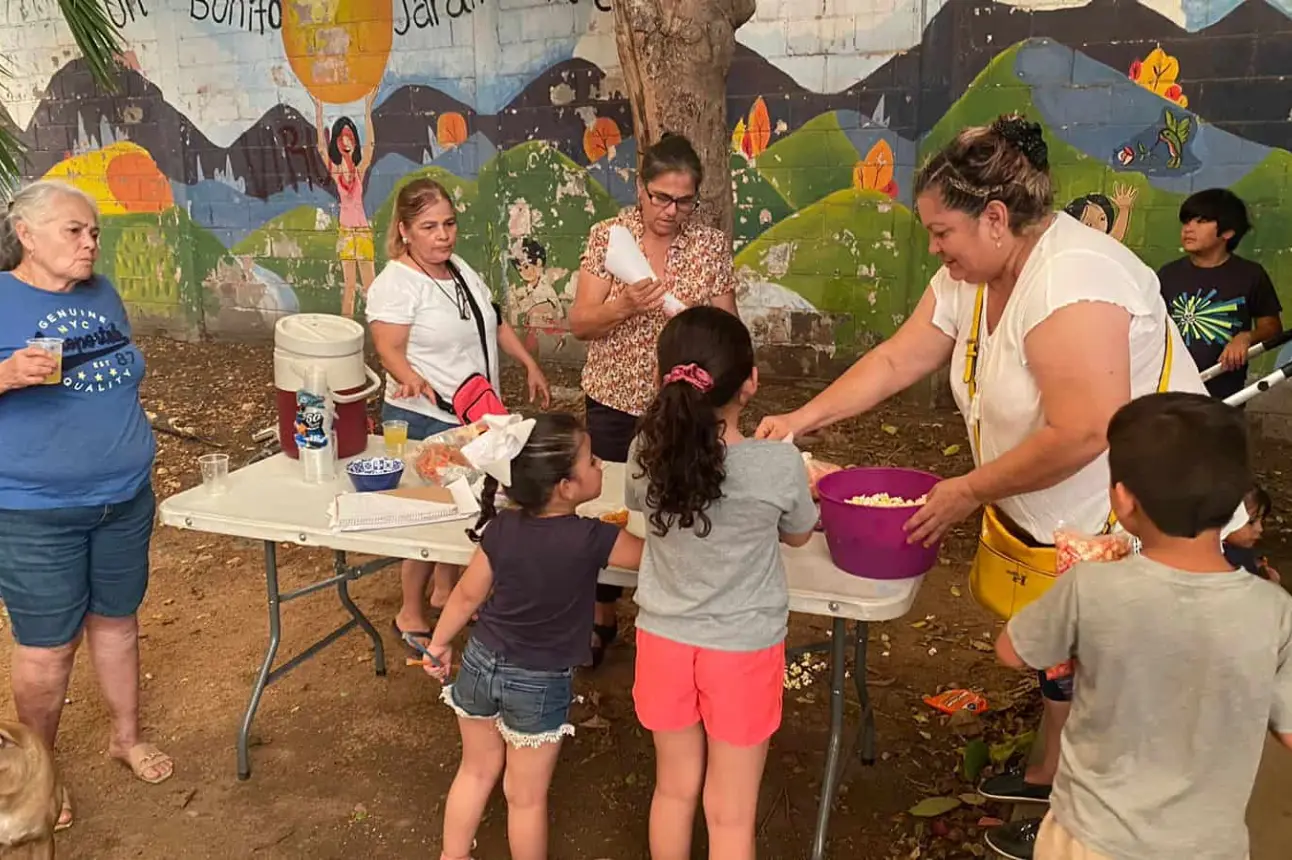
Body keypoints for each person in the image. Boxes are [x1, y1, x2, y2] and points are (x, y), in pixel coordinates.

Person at [755, 114, 1237, 858]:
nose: (935, 250)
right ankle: (1048, 771)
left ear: (996, 217)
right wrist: (800, 419)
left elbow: (1083, 430)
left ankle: (1079, 827)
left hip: (1145, 516)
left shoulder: (1075, 281)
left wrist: (968, 489)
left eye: (942, 232)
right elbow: (893, 360)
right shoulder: (974, 276)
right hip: (1067, 521)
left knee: (1118, 686)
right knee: (1069, 654)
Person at [991, 392, 1292, 860]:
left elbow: (1012, 650)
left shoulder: (1091, 588)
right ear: (1236, 503)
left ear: (1122, 500)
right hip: (1210, 847)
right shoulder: (1274, 610)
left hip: (1090, 838)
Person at [0, 180, 174, 831]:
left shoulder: (101, 293)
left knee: (118, 622)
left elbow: (118, 366)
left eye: (94, 231)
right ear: (28, 234)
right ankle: (41, 771)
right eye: (74, 230)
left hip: (123, 496)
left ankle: (125, 737)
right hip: (34, 509)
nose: (90, 241)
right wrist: (6, 374)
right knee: (47, 649)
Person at [627, 307, 817, 860]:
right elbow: (801, 535)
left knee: (673, 789)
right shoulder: (777, 465)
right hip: (742, 649)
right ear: (750, 382)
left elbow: (640, 504)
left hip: (662, 642)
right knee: (731, 815)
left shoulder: (646, 452)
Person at [422, 413, 643, 860]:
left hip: (481, 662)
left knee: (476, 770)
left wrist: (438, 644)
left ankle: (452, 856)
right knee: (525, 796)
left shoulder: (501, 527)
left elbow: (465, 596)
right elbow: (649, 556)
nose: (601, 464)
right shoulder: (593, 537)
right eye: (592, 460)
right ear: (565, 485)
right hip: (539, 681)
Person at [569, 133, 739, 667]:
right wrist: (622, 305)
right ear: (640, 190)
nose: (672, 211)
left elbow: (727, 329)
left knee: (679, 502)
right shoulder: (607, 237)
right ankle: (601, 612)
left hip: (684, 406)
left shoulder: (709, 245)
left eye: (684, 200)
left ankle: (669, 614)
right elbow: (579, 322)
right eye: (661, 197)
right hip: (615, 399)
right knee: (609, 507)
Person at [366, 177, 551, 653]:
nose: (443, 235)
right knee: (426, 520)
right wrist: (408, 376)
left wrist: (528, 363)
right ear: (405, 230)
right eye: (429, 226)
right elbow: (387, 346)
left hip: (474, 416)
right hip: (423, 417)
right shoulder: (395, 283)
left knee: (464, 512)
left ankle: (445, 592)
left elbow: (495, 321)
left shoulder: (460, 269)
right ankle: (410, 609)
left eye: (448, 223)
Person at [1158, 188, 1283, 401]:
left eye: (1201, 221)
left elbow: (1272, 328)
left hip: (1225, 396)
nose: (1189, 229)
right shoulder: (1167, 275)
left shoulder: (1251, 275)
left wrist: (1246, 337)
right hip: (1170, 391)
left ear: (1227, 232)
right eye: (1187, 221)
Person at [313, 92, 378, 318]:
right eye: (342, 138)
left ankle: (380, 334)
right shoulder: (336, 170)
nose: (346, 142)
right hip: (345, 232)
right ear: (337, 142)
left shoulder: (358, 171)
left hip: (361, 231)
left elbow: (370, 146)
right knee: (349, 286)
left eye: (350, 137)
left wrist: (368, 109)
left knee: (370, 286)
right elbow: (321, 149)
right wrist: (319, 113)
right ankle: (347, 333)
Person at [1223, 485, 1281, 584]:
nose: (1260, 529)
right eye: (1251, 522)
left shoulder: (1238, 548)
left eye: (1261, 521)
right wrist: (1271, 587)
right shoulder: (1224, 562)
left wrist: (1256, 565)